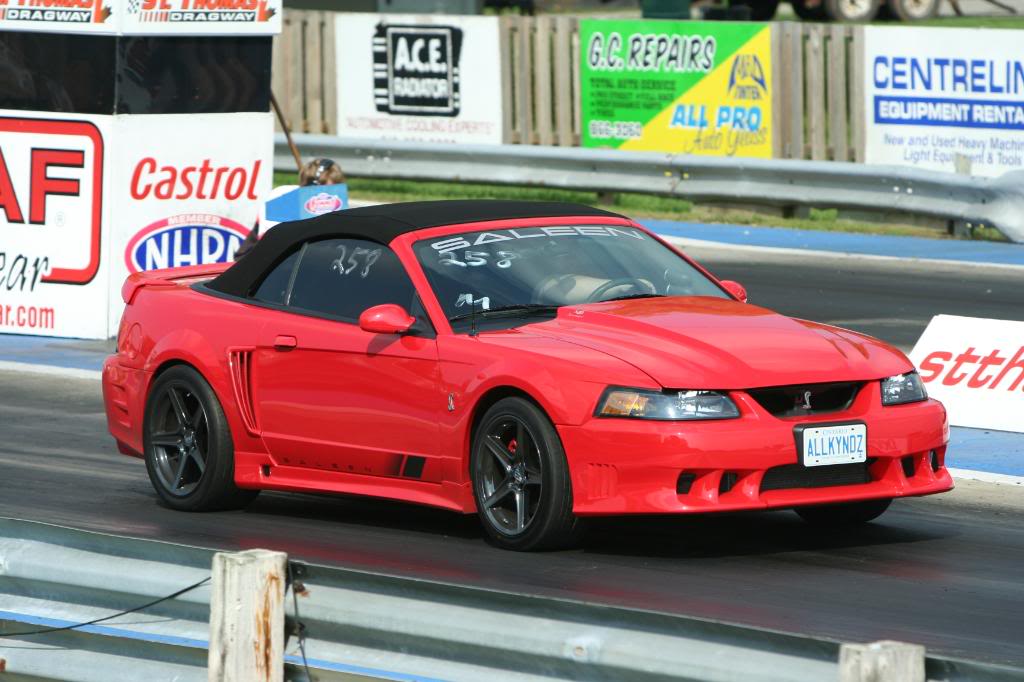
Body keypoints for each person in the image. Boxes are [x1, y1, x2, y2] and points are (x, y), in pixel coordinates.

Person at [234, 157, 344, 260]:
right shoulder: (279, 202)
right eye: (323, 192)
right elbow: (269, 251)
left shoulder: (340, 208)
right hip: (261, 262)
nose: (325, 199)